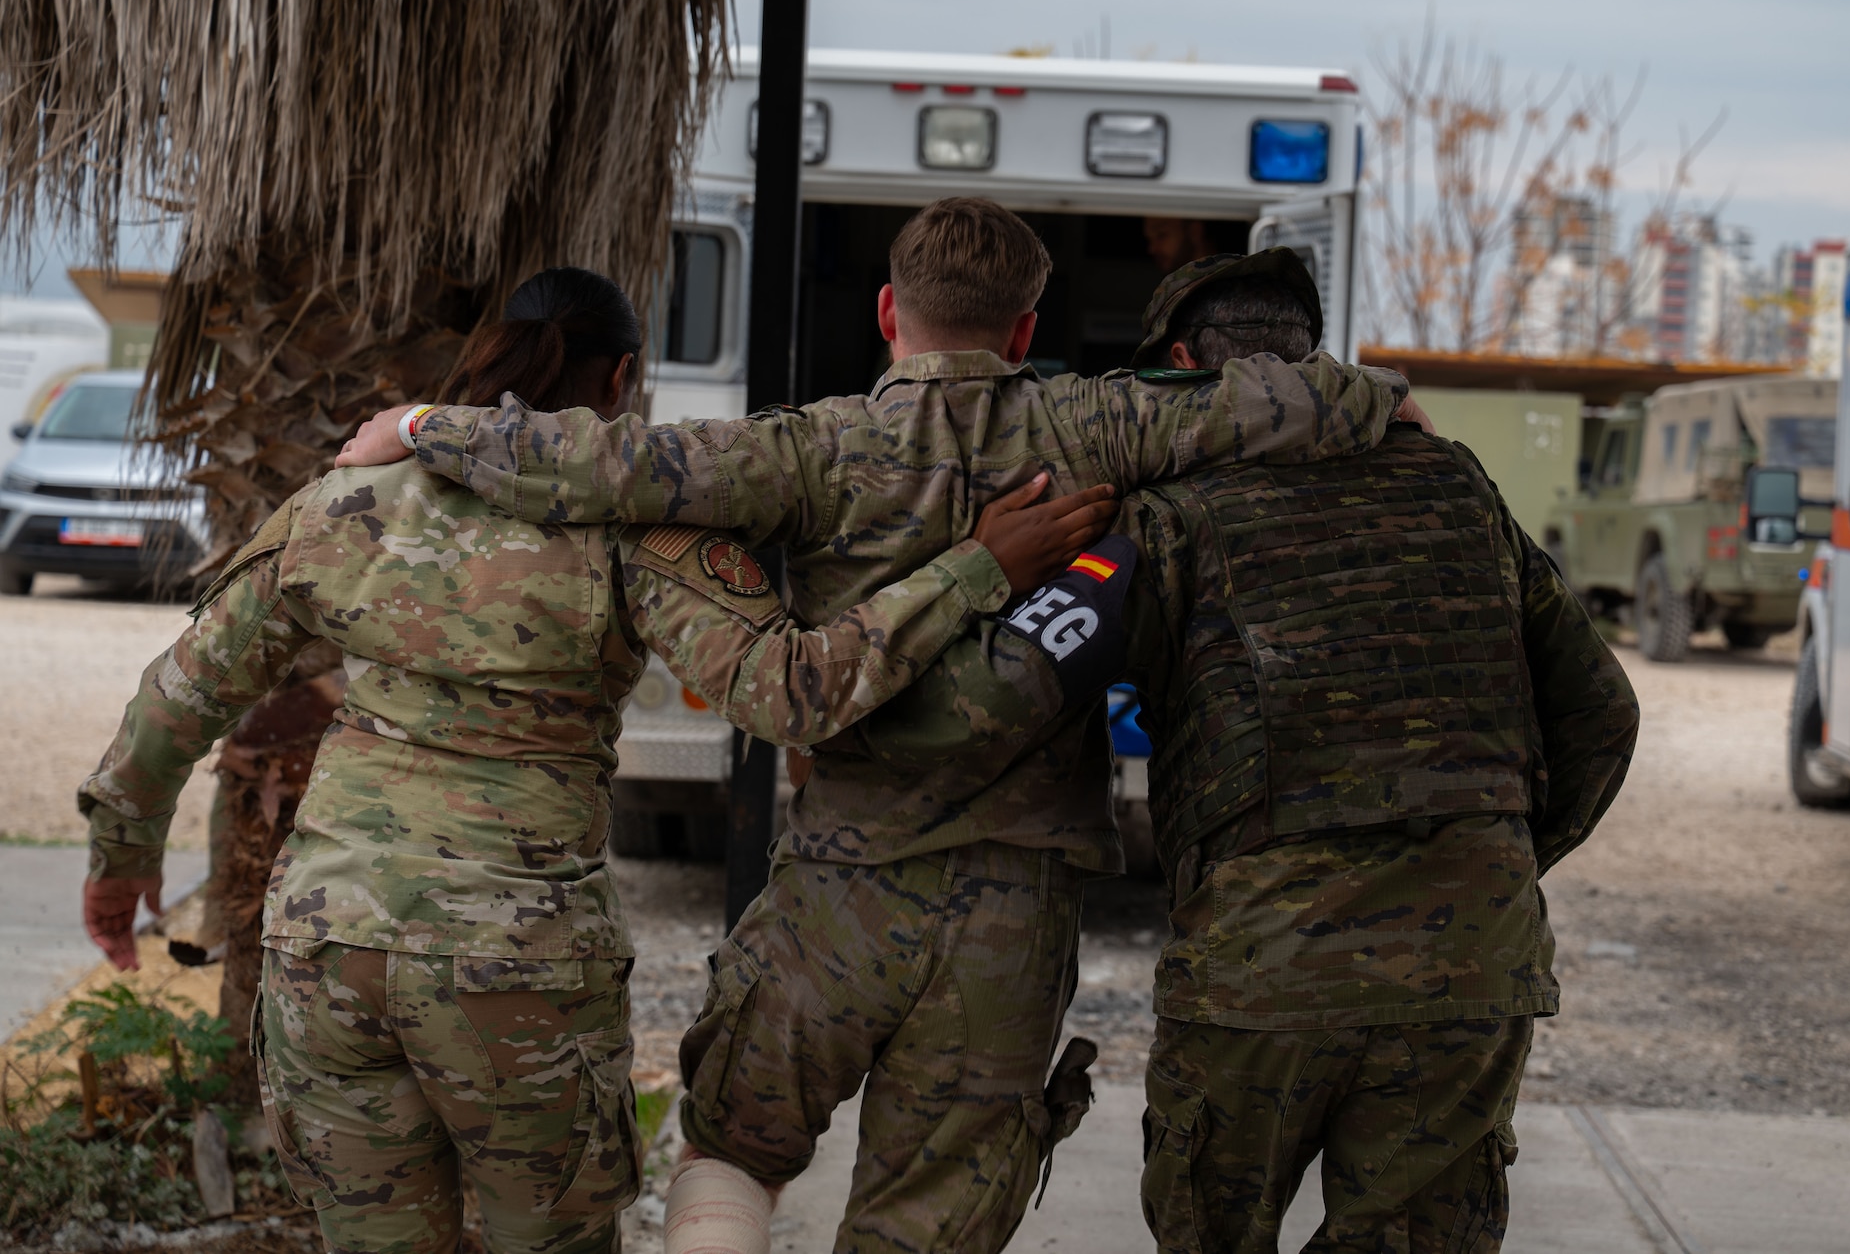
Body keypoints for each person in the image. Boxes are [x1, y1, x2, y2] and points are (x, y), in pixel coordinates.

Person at [334, 198, 1417, 1254]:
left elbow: (609, 466)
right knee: (937, 1202)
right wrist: (1384, 400)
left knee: (734, 1142)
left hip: (839, 887)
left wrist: (428, 426)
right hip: (1011, 910)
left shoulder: (810, 451)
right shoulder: (1097, 423)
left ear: (890, 313)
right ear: (1026, 329)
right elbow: (1281, 401)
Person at [77, 266, 1113, 1254]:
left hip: (329, 956)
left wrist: (121, 861)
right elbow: (794, 692)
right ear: (621, 378)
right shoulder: (631, 527)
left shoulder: (341, 504)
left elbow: (181, 694)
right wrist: (975, 566)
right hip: (516, 965)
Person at [842, 249, 1643, 1252]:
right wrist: (1492, 861)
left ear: (1181, 368)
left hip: (1265, 964)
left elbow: (994, 697)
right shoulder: (1456, 486)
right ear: (1313, 358)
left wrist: (900, 639)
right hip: (1471, 956)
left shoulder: (1161, 516)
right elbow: (1601, 713)